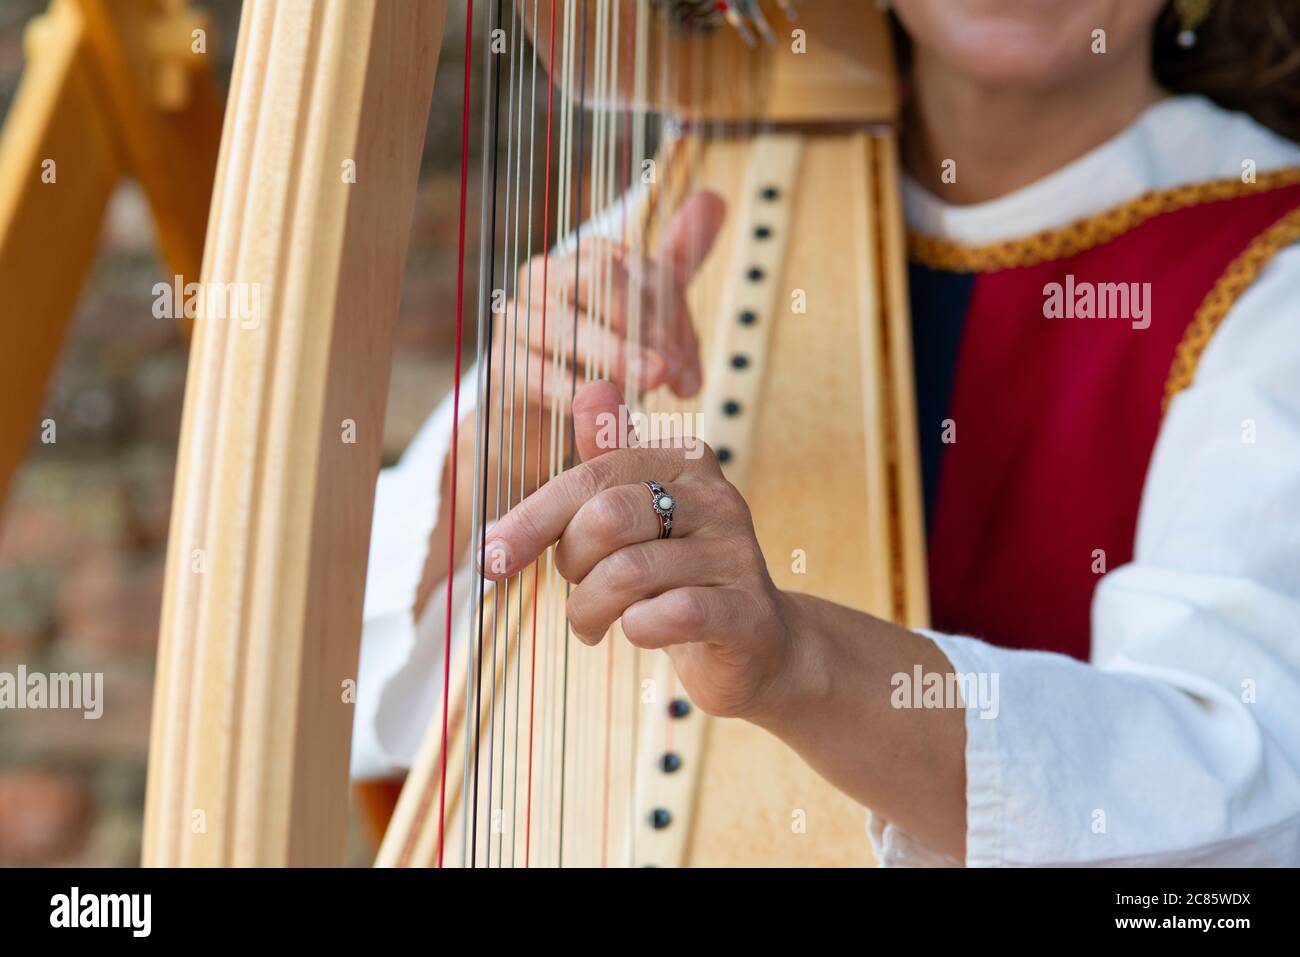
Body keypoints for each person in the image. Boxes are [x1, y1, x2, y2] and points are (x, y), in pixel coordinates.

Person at [353, 0, 1300, 865]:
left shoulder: (1270, 262)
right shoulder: (694, 208)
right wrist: (501, 463)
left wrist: (799, 662)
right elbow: (351, 708)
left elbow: (1244, 797)